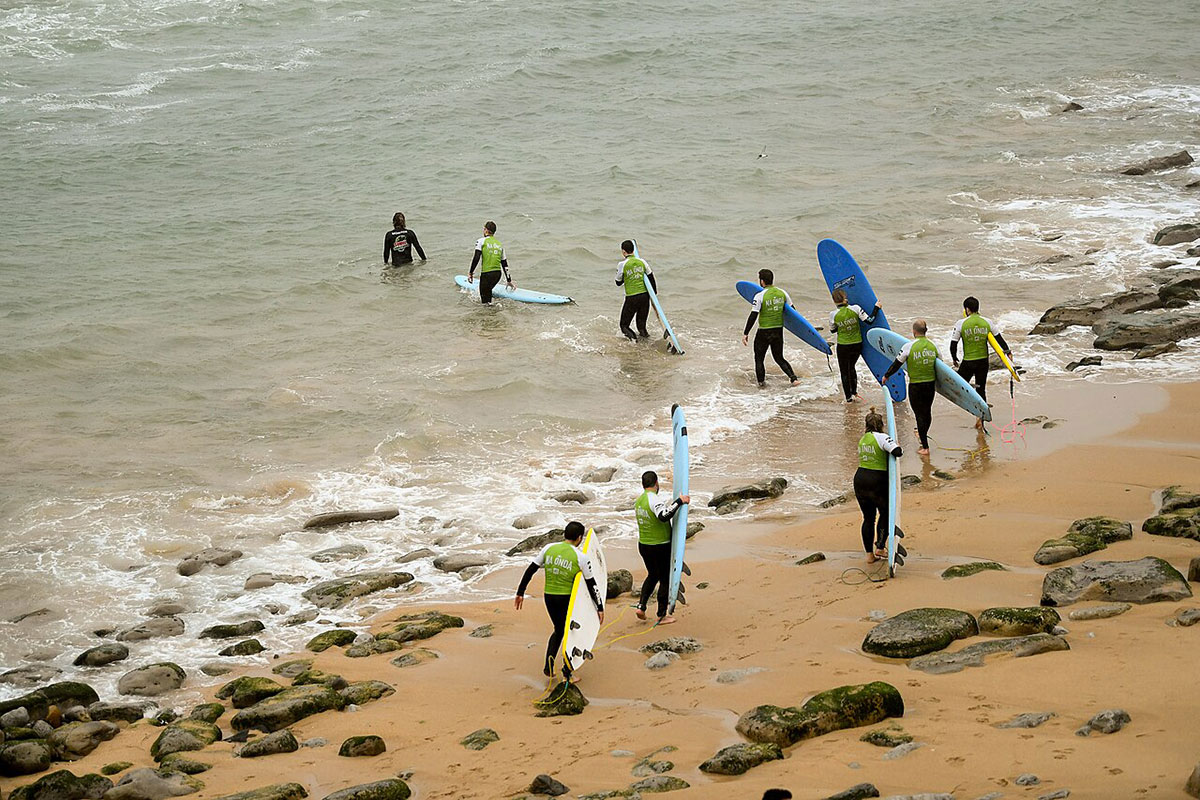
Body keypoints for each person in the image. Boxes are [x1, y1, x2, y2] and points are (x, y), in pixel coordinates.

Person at [514, 522, 604, 678]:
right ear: (579, 538)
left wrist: (520, 592)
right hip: (567, 600)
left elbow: (531, 570)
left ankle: (549, 667)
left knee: (559, 630)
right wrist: (600, 607)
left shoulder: (548, 548)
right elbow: (592, 584)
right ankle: (567, 673)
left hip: (549, 597)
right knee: (571, 633)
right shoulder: (581, 557)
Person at [634, 470, 689, 624]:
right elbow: (663, 516)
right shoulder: (654, 499)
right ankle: (662, 615)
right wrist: (679, 501)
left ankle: (641, 606)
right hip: (659, 546)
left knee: (652, 575)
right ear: (656, 483)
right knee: (665, 579)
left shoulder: (639, 501)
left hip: (644, 545)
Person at [951, 297, 1012, 428]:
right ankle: (980, 418)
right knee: (981, 389)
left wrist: (954, 358)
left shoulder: (961, 323)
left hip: (968, 362)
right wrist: (1008, 352)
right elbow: (999, 339)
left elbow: (953, 344)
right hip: (983, 362)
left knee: (958, 384)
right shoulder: (987, 322)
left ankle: (972, 402)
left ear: (967, 309)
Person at [882, 320, 939, 455]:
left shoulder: (908, 346)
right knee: (926, 412)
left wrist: (886, 376)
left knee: (918, 414)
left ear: (914, 332)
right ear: (926, 331)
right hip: (930, 385)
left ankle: (925, 447)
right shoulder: (933, 346)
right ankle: (922, 434)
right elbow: (940, 367)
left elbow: (897, 363)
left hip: (916, 386)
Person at [854, 407, 902, 562]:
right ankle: (880, 547)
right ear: (881, 425)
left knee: (868, 518)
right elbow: (897, 452)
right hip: (877, 480)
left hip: (860, 479)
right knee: (886, 513)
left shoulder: (862, 439)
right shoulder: (882, 437)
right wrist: (895, 443)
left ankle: (869, 555)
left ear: (866, 425)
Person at [742, 268, 801, 387]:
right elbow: (793, 312)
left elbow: (753, 315)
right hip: (778, 331)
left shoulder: (759, 296)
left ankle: (761, 384)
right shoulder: (783, 293)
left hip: (763, 332)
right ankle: (793, 379)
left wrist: (746, 333)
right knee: (779, 357)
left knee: (759, 359)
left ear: (762, 281)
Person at [829, 289, 881, 403]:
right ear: (845, 298)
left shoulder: (833, 315)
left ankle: (848, 398)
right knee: (851, 367)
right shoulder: (856, 308)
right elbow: (870, 320)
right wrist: (876, 307)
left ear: (834, 301)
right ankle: (855, 392)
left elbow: (833, 330)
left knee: (844, 371)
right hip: (857, 345)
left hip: (843, 346)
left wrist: (842, 325)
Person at [614, 240, 657, 340]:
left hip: (632, 298)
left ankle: (634, 343)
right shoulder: (642, 262)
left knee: (624, 326)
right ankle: (647, 344)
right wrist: (653, 294)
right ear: (633, 250)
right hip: (645, 297)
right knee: (641, 327)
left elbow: (618, 282)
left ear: (623, 252)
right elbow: (651, 278)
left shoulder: (622, 264)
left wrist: (628, 276)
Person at [467, 221, 514, 304]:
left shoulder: (481, 241)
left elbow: (476, 258)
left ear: (486, 230)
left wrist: (471, 273)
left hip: (487, 274)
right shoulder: (499, 244)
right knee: (488, 293)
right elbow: (504, 264)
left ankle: (488, 314)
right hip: (497, 274)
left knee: (485, 302)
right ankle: (493, 313)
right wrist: (509, 280)